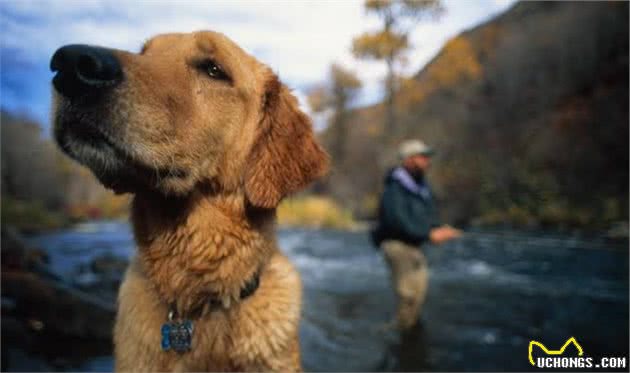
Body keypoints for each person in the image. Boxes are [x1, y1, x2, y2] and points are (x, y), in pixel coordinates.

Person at [372, 139, 462, 330]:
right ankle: (399, 334)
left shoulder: (420, 185)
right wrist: (429, 235)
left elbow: (427, 215)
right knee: (408, 295)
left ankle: (409, 330)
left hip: (413, 244)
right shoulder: (395, 187)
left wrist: (440, 228)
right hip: (396, 246)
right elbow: (397, 221)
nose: (427, 161)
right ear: (409, 160)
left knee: (418, 294)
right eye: (423, 157)